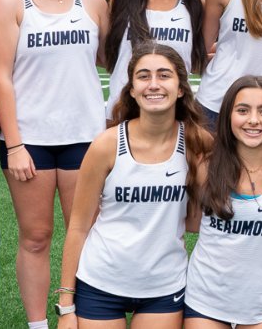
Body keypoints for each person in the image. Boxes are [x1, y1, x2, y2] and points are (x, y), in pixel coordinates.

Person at [0, 0, 108, 329]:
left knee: (86, 236)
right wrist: (15, 144)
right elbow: (0, 76)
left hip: (86, 139)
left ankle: (78, 315)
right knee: (36, 238)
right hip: (31, 141)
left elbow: (116, 60)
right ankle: (38, 324)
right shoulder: (9, 0)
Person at [55, 43, 211, 329]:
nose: (153, 84)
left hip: (163, 286)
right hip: (101, 280)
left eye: (164, 75)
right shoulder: (107, 144)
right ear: (131, 89)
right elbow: (78, 226)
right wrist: (66, 305)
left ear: (180, 89)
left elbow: (213, 212)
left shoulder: (196, 143)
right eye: (143, 76)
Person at [184, 76, 262, 329]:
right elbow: (190, 222)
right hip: (205, 300)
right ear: (228, 116)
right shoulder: (205, 165)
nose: (253, 120)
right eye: (242, 110)